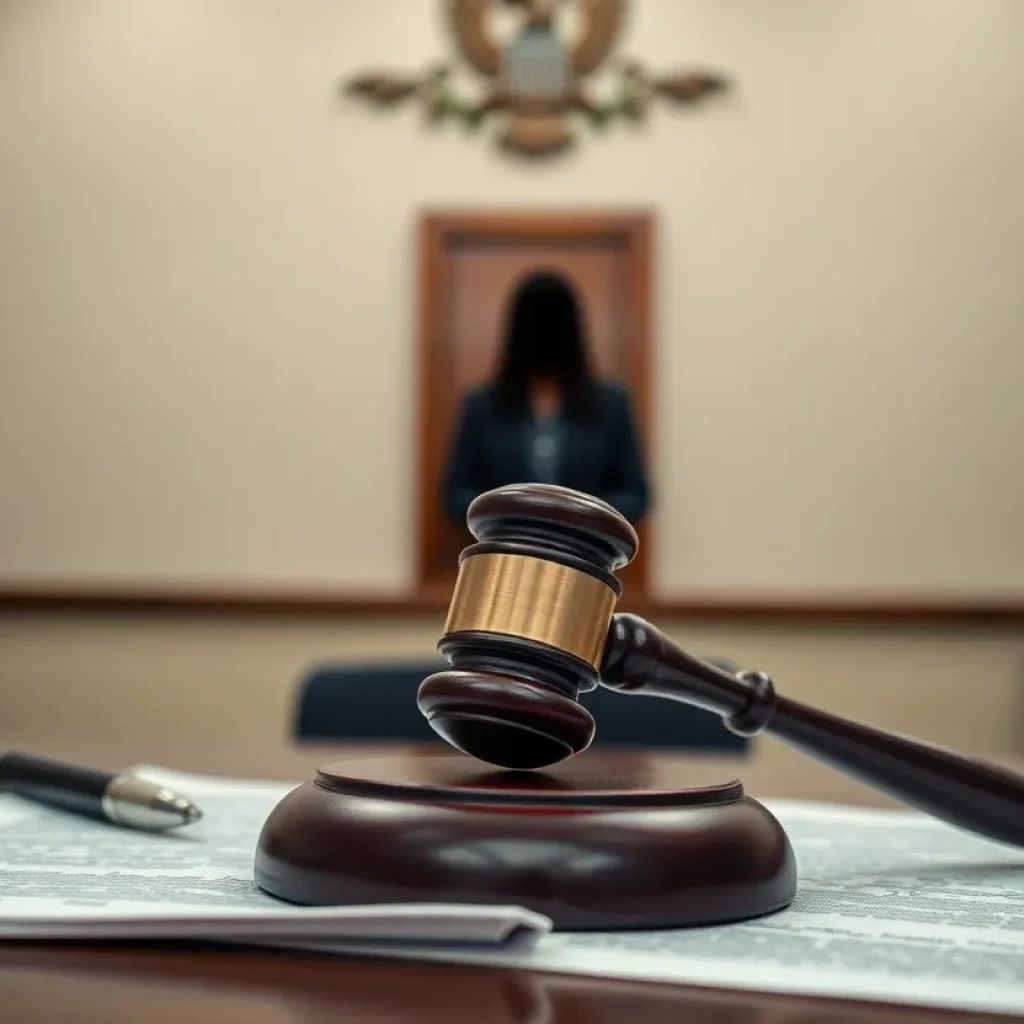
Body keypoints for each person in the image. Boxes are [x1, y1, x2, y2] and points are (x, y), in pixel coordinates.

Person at [441, 268, 651, 526]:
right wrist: (510, 514)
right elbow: (455, 496)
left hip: (584, 556)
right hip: (505, 554)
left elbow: (635, 495)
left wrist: (580, 517)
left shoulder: (611, 403)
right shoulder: (481, 405)